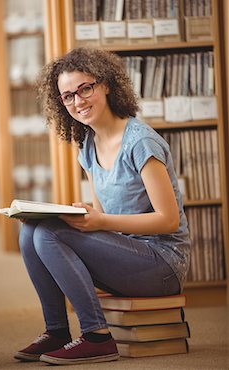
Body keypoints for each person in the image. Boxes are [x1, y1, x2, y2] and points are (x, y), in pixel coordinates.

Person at [15, 47, 190, 365]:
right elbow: (104, 211)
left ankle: (97, 337)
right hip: (125, 254)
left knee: (48, 236)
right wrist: (85, 216)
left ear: (106, 84)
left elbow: (168, 220)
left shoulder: (140, 142)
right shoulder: (87, 144)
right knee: (31, 229)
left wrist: (100, 222)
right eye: (68, 96)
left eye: (85, 88)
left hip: (162, 265)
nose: (78, 101)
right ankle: (56, 331)